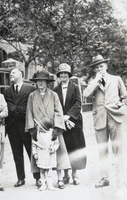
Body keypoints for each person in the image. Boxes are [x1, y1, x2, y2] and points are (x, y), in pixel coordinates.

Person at [83, 55, 127, 188]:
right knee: (102, 150)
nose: (99, 69)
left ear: (106, 66)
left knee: (118, 149)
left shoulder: (116, 79)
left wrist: (122, 104)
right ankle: (104, 178)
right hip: (100, 119)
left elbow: (124, 97)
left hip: (115, 117)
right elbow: (85, 95)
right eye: (96, 67)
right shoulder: (93, 82)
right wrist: (96, 80)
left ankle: (120, 177)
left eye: (101, 66)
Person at [26, 70, 71, 189]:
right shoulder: (32, 96)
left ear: (47, 82)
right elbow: (29, 112)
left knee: (57, 153)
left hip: (52, 129)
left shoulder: (53, 95)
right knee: (40, 155)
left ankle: (60, 179)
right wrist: (32, 130)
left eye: (43, 81)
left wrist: (56, 129)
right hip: (39, 130)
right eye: (38, 81)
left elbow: (58, 111)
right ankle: (42, 179)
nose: (40, 83)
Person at [4, 68, 41, 188]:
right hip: (12, 127)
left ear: (21, 74)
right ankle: (21, 178)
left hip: (27, 126)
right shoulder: (7, 91)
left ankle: (38, 177)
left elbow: (35, 107)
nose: (11, 74)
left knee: (32, 152)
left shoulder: (30, 89)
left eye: (13, 73)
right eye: (10, 73)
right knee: (17, 154)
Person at [53, 63, 87, 185]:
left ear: (69, 75)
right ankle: (66, 174)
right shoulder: (55, 90)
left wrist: (69, 117)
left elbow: (78, 103)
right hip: (62, 123)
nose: (63, 75)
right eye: (61, 73)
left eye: (65, 73)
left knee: (74, 148)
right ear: (59, 75)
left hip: (74, 122)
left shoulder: (75, 87)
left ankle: (74, 174)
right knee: (64, 148)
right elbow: (55, 106)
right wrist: (62, 118)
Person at [32, 118, 59, 191]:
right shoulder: (37, 134)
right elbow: (34, 145)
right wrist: (35, 154)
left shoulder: (52, 133)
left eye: (40, 126)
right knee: (42, 171)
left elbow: (57, 144)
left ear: (44, 127)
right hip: (41, 155)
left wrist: (53, 148)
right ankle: (43, 184)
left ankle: (50, 184)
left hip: (49, 155)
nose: (38, 127)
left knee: (49, 171)